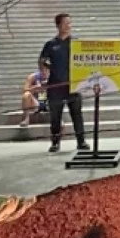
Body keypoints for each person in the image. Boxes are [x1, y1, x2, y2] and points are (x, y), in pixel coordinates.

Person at [40, 11, 87, 154]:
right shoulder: (50, 44)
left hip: (73, 85)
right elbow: (42, 60)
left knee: (77, 114)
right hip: (55, 85)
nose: (68, 26)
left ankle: (81, 141)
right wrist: (45, 72)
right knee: (55, 116)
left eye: (70, 23)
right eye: (65, 23)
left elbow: (85, 62)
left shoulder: (77, 43)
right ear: (58, 25)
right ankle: (55, 143)